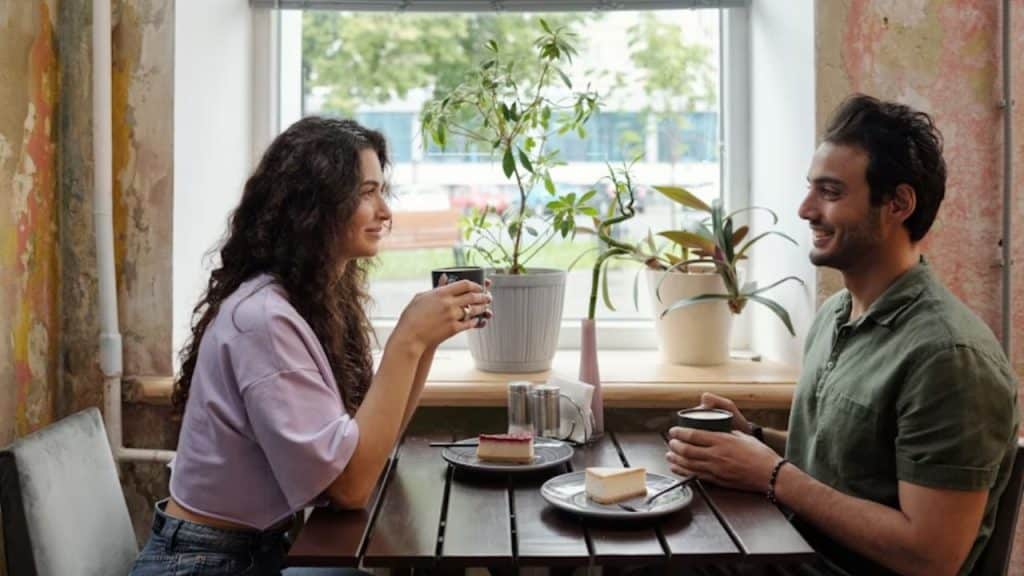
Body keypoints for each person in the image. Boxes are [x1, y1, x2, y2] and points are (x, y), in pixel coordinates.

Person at [666, 94, 1019, 576]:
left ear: (898, 204)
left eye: (830, 192)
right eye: (811, 189)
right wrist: (752, 438)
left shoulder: (949, 357)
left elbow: (931, 556)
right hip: (798, 552)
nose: (805, 209)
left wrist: (770, 475)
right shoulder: (836, 315)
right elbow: (850, 464)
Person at [130, 117, 492, 576]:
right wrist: (409, 337)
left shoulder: (309, 299)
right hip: (205, 563)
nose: (385, 211)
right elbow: (350, 487)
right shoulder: (263, 320)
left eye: (382, 191)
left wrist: (427, 341)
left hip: (256, 551)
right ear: (315, 205)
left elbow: (367, 451)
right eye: (366, 193)